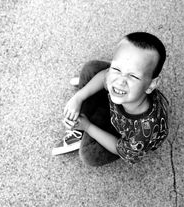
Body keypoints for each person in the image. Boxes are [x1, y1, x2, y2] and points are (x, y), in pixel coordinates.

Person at [52, 32, 169, 166]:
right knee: (92, 68)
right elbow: (105, 77)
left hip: (123, 132)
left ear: (151, 85)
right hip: (120, 105)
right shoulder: (121, 85)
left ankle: (82, 128)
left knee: (89, 156)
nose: (120, 81)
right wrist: (78, 97)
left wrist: (88, 127)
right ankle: (88, 108)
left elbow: (120, 148)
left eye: (133, 76)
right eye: (116, 68)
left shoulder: (144, 132)